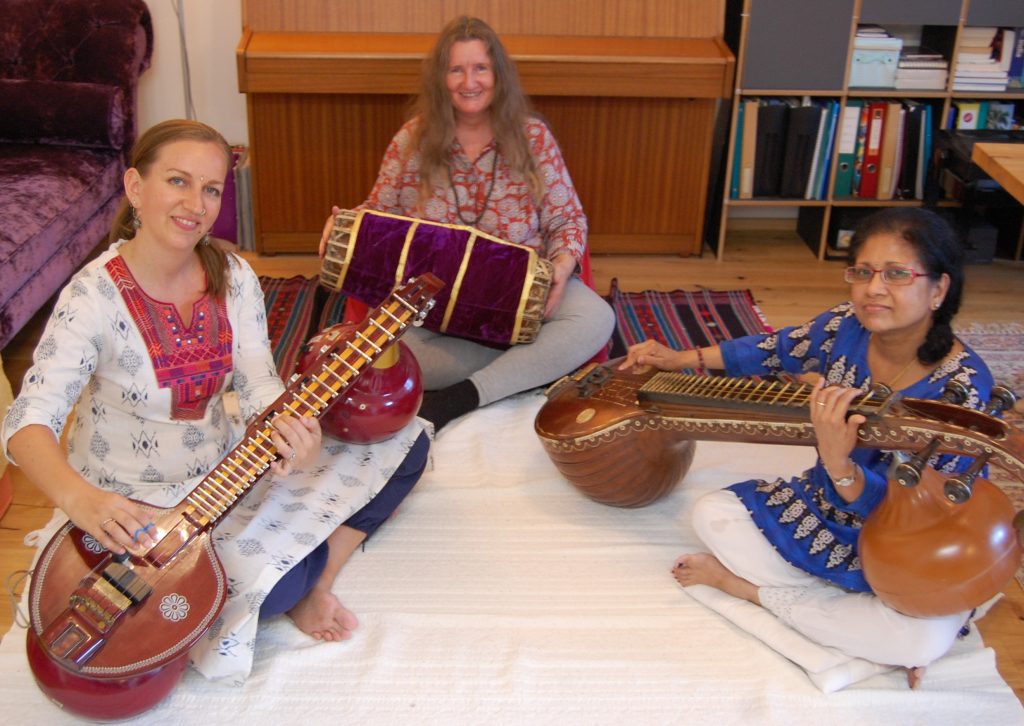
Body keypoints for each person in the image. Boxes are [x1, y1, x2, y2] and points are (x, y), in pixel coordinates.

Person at [2, 119, 429, 684]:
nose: (195, 204)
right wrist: (82, 502)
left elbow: (257, 385)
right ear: (135, 187)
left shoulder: (233, 275)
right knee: (265, 589)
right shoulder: (91, 297)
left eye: (210, 189)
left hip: (225, 475)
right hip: (127, 510)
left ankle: (314, 582)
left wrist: (287, 430)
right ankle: (295, 585)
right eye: (177, 181)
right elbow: (27, 422)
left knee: (409, 444)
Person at [619, 207, 996, 688]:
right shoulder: (847, 326)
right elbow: (775, 349)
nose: (873, 289)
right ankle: (858, 623)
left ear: (938, 289)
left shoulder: (962, 390)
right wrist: (682, 358)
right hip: (821, 512)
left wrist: (842, 466)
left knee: (915, 640)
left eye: (897, 274)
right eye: (862, 272)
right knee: (712, 515)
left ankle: (747, 592)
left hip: (906, 539)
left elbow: (930, 513)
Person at [319, 15, 615, 432]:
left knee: (597, 320)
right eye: (456, 69)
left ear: (498, 75)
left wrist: (564, 268)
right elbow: (378, 216)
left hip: (523, 303)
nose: (468, 81)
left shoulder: (533, 137)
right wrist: (345, 226)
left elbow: (566, 218)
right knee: (380, 357)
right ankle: (533, 366)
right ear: (441, 79)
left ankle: (463, 396)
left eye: (480, 68)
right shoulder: (411, 140)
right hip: (436, 311)